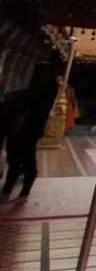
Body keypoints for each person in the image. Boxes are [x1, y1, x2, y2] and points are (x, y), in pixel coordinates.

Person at [0, 64, 59, 203]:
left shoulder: (40, 94)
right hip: (30, 130)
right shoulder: (44, 92)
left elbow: (24, 108)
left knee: (20, 160)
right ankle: (15, 191)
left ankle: (16, 191)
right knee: (19, 160)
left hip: (24, 129)